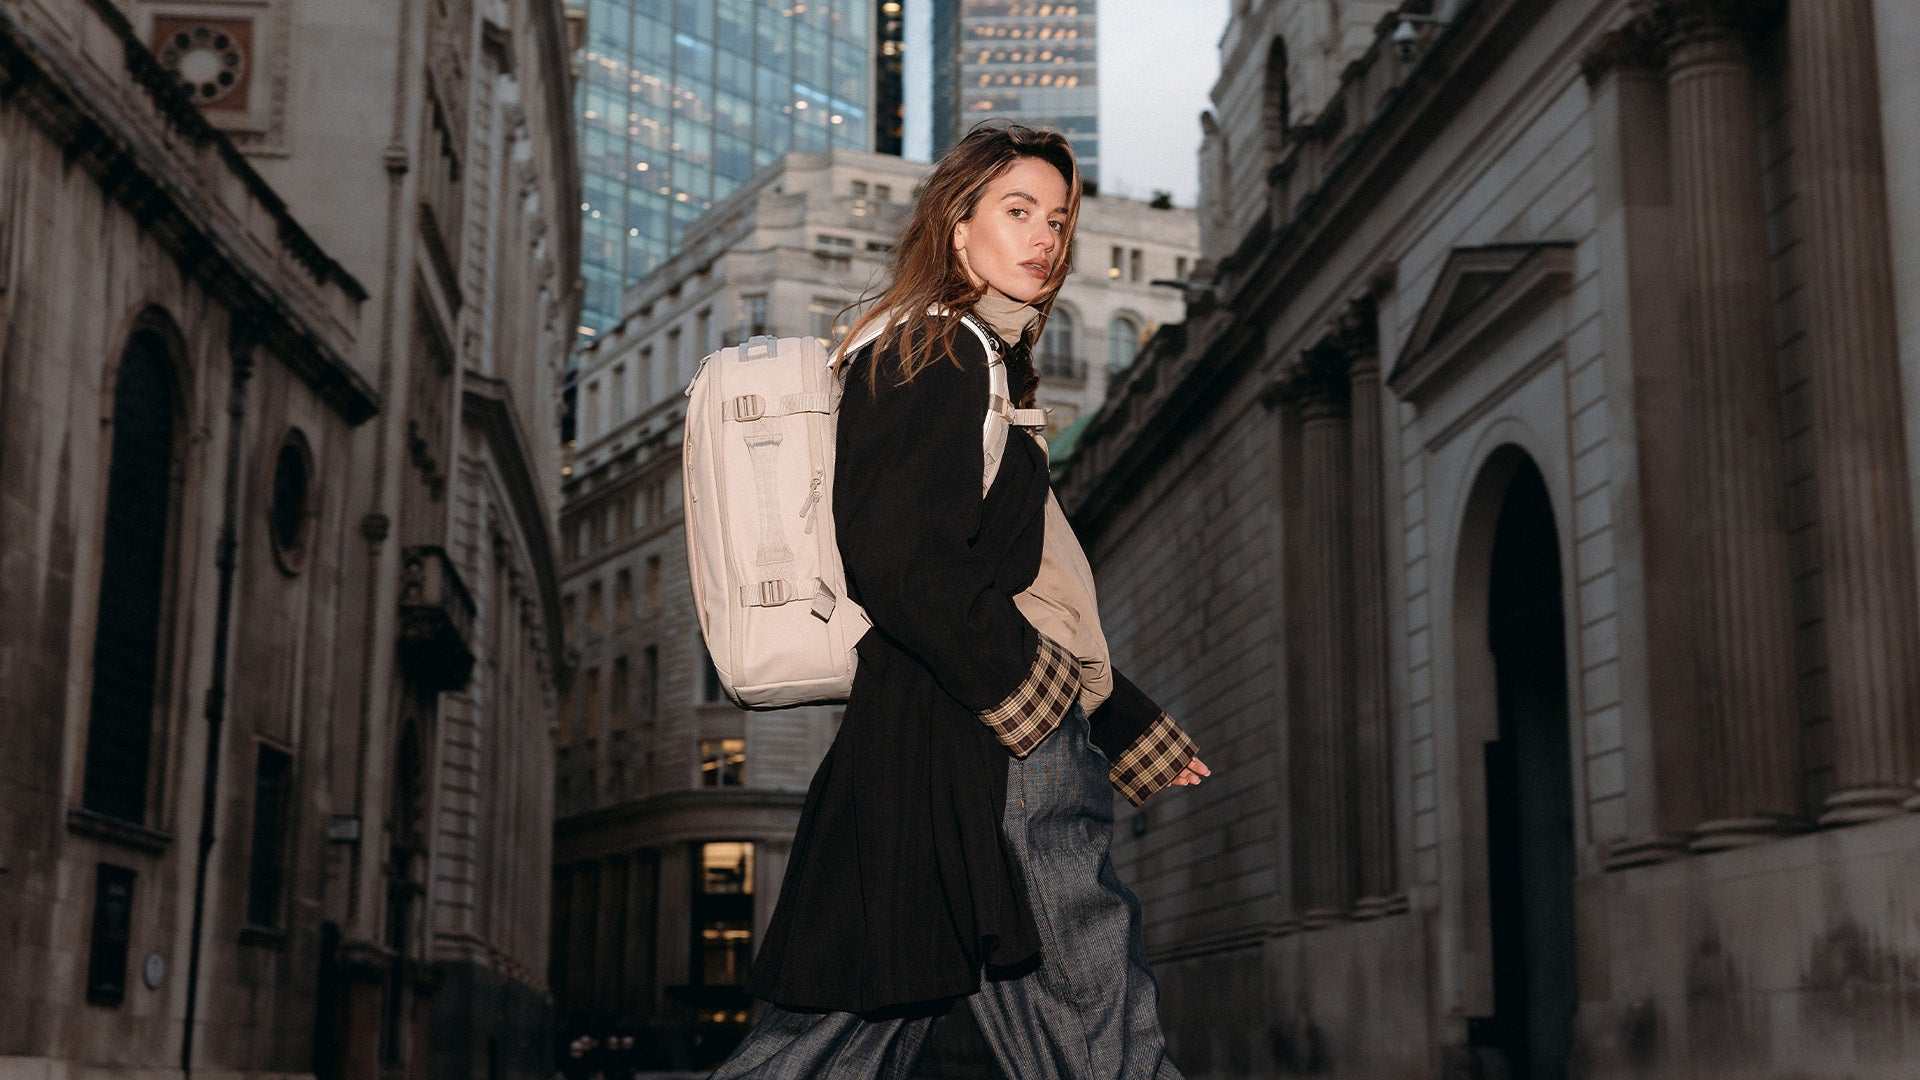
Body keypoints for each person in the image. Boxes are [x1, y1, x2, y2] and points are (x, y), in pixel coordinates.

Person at [709, 122, 1209, 1080]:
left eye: (1057, 219)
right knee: (1092, 1020)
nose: (1045, 237)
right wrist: (1036, 705)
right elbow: (900, 559)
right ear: (956, 225)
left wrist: (1118, 717)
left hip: (938, 734)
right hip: (989, 743)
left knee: (847, 1032)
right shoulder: (940, 348)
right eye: (1018, 211)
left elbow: (1024, 583)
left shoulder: (972, 358)